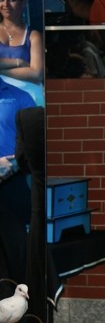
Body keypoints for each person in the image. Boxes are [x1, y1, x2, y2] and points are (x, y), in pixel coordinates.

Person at [0, 77, 36, 285]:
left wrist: (13, 165)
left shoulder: (20, 97)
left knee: (17, 257)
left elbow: (34, 145)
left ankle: (20, 304)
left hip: (11, 185)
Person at [0, 0, 44, 106]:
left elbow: (37, 73)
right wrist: (19, 63)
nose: (6, 4)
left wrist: (1, 72)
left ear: (23, 2)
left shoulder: (34, 36)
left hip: (29, 99)